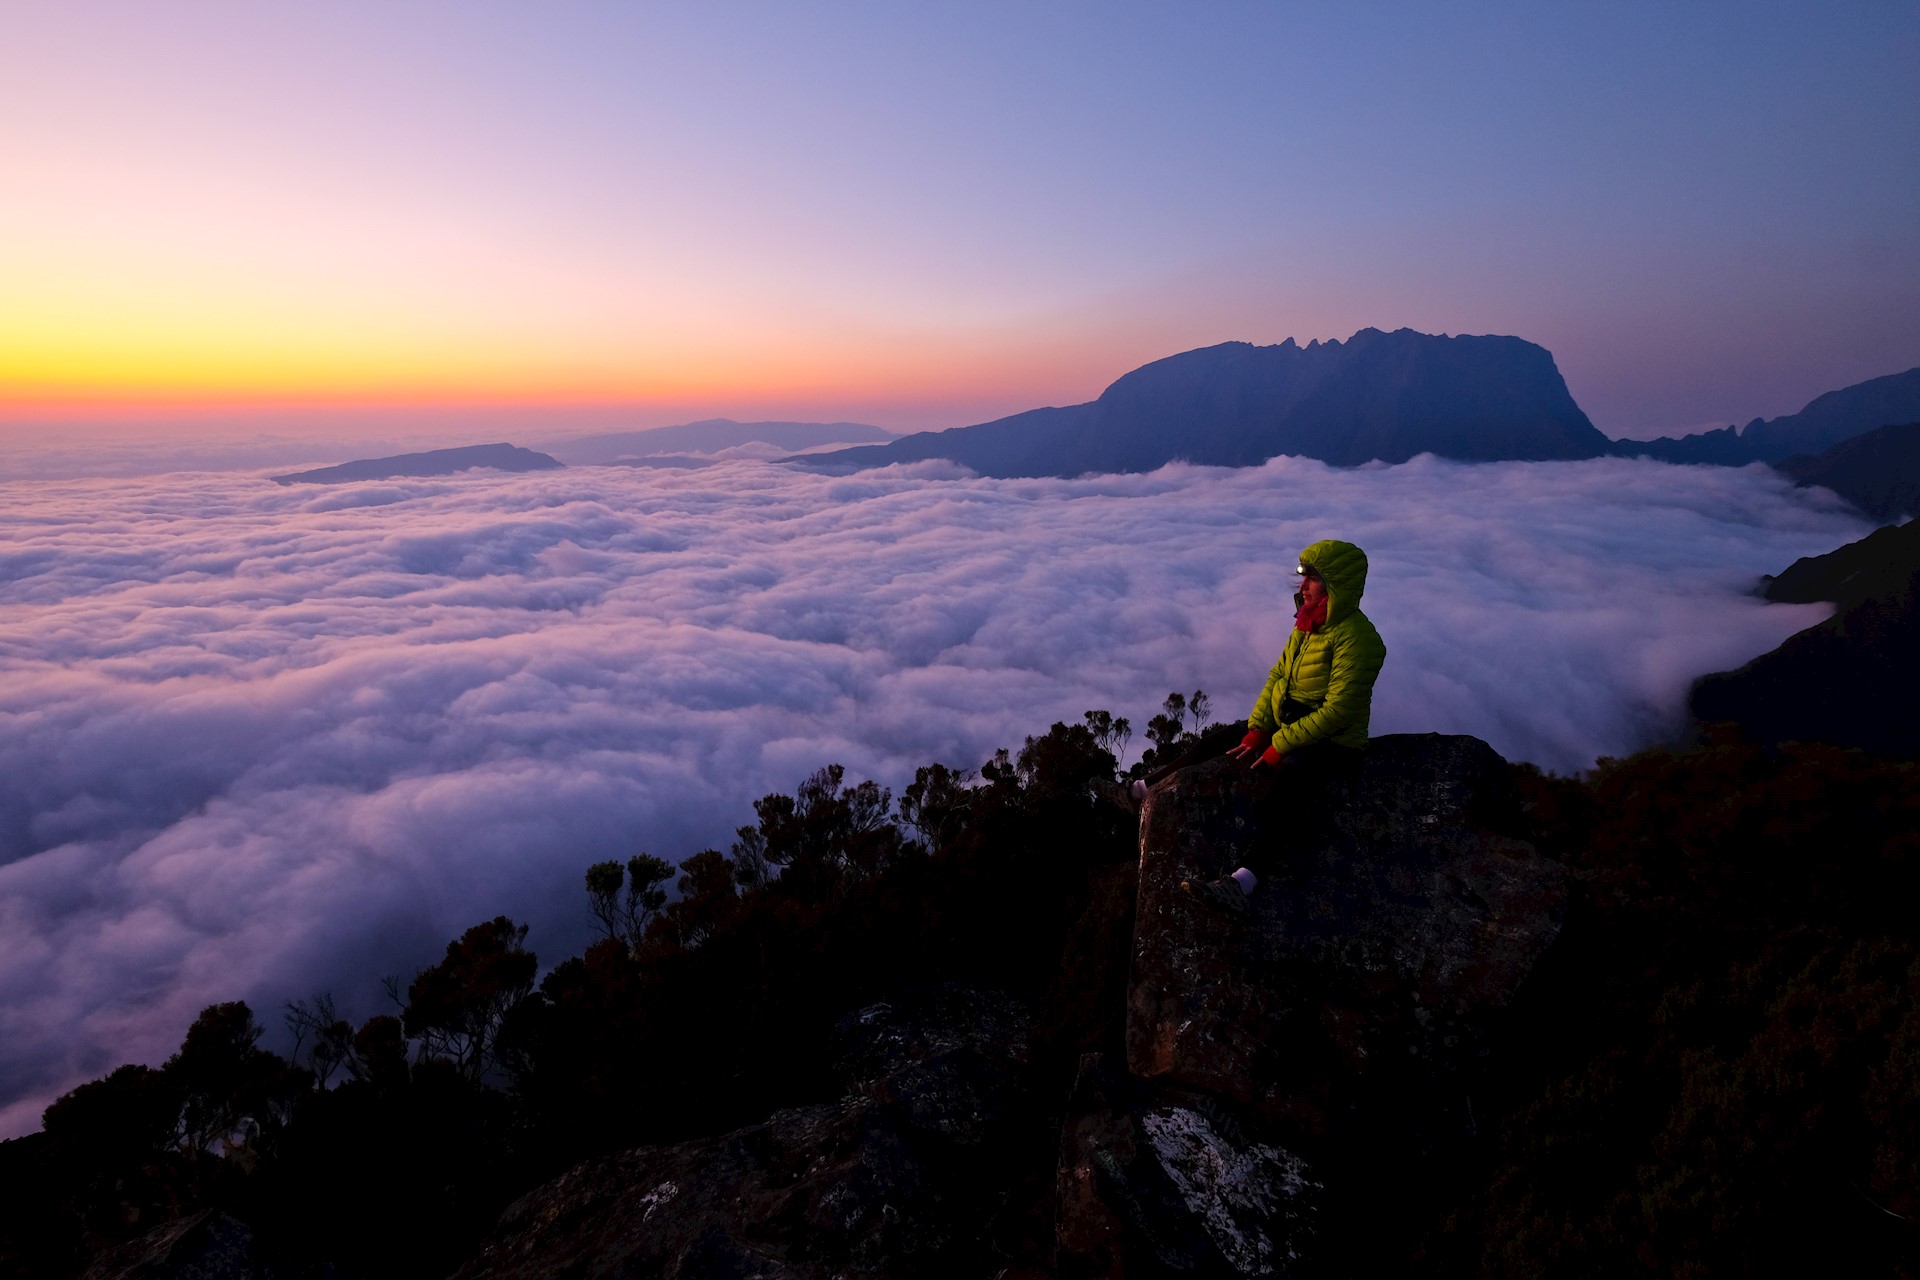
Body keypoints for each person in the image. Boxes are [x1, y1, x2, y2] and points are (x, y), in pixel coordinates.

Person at [1182, 539, 1387, 914]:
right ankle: (1141, 791)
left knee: (1292, 778)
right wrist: (1260, 727)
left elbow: (1338, 713)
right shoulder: (1308, 624)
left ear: (1336, 583)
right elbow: (1279, 675)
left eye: (1312, 577)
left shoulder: (1360, 640)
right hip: (1292, 724)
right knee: (1229, 738)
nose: (1302, 584)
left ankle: (1244, 881)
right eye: (1303, 574)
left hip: (1335, 743)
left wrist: (1282, 744)